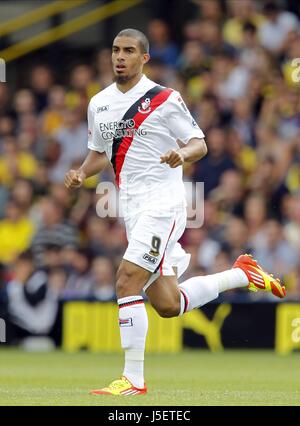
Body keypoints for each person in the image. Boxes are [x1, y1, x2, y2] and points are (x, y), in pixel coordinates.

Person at [64, 28, 285, 396]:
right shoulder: (99, 103)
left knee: (126, 279)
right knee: (167, 304)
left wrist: (181, 155)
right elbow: (100, 152)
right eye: (116, 50)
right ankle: (242, 275)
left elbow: (200, 143)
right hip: (131, 209)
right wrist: (80, 173)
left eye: (129, 50)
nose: (120, 56)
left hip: (163, 203)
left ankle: (133, 379)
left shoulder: (164, 98)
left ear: (144, 58)